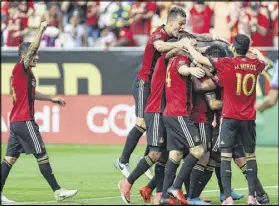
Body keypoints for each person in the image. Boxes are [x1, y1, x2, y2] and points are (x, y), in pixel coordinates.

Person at [184, 34, 267, 205]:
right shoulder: (256, 65)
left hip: (229, 118)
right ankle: (253, 196)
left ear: (234, 49)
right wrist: (257, 53)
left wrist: (189, 47)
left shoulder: (227, 64)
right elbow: (263, 62)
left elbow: (200, 59)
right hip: (248, 119)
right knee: (250, 157)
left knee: (225, 157)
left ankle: (226, 197)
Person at [1, 21, 78, 204]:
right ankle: (58, 190)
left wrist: (52, 98)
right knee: (41, 153)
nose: (37, 57)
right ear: (24, 56)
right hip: (24, 120)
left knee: (9, 158)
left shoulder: (28, 75)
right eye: (34, 54)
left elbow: (32, 93)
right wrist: (41, 30)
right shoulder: (20, 68)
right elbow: (31, 49)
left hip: (16, 121)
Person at [115, 6, 188, 179]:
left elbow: (189, 38)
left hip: (158, 87)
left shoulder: (173, 36)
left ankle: (145, 158)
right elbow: (159, 46)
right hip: (144, 84)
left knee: (157, 122)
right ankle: (123, 160)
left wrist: (210, 38)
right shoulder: (159, 34)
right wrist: (180, 44)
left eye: (184, 24)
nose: (182, 27)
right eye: (180, 23)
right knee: (142, 123)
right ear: (170, 22)